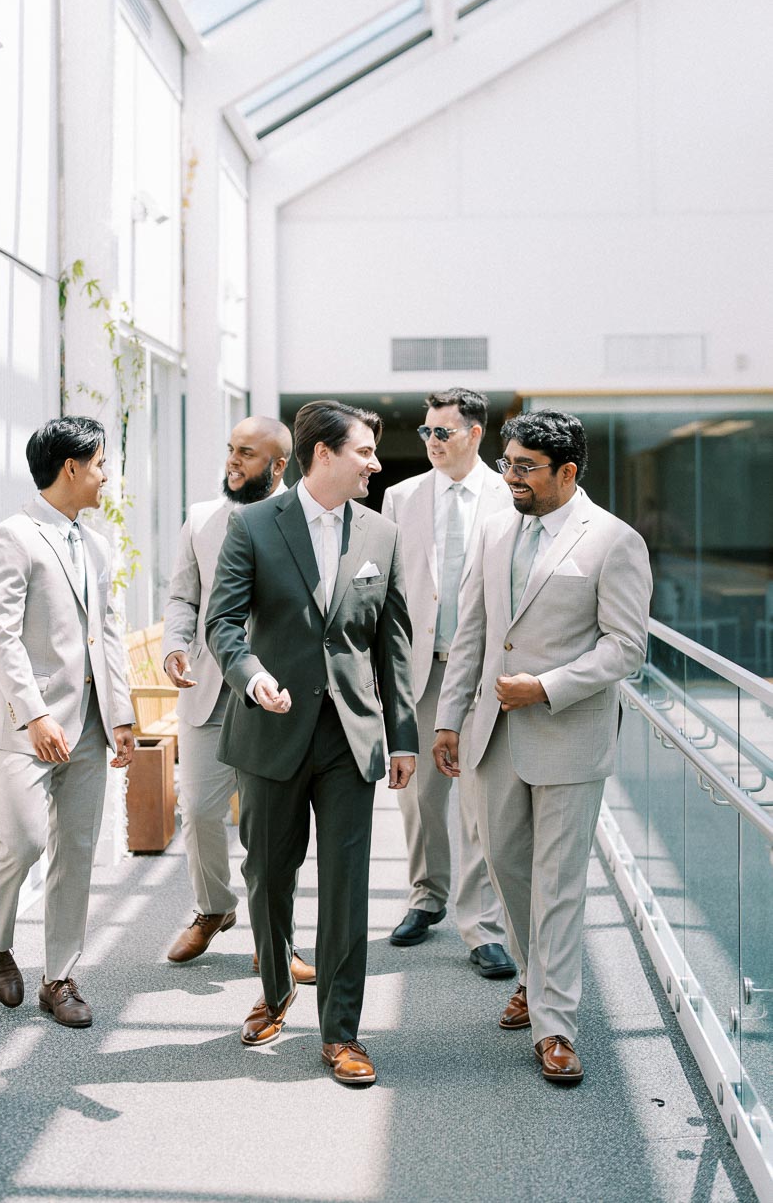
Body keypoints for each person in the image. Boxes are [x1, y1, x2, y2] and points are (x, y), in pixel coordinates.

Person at [433, 410, 651, 1084]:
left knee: (558, 883)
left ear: (568, 473)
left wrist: (548, 686)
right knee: (504, 864)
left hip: (568, 735)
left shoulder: (614, 541)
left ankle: (555, 1024)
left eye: (525, 468)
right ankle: (536, 973)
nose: (510, 477)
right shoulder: (495, 529)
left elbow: (627, 648)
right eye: (508, 464)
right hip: (491, 734)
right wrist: (449, 717)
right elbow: (473, 630)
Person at [205, 399, 418, 1087]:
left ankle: (342, 1033)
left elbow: (396, 642)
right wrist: (252, 675)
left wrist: (404, 735)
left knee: (349, 885)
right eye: (363, 452)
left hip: (350, 737)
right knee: (268, 875)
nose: (375, 465)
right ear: (322, 454)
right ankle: (275, 989)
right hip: (269, 727)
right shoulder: (254, 525)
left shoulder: (381, 535)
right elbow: (223, 622)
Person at [0, 417, 135, 1028]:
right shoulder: (12, 536)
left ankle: (60, 977)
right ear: (71, 467)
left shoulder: (93, 543)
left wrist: (120, 716)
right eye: (99, 464)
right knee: (22, 840)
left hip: (92, 724)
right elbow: (1, 637)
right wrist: (36, 714)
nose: (104, 477)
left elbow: (108, 635)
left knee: (77, 848)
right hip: (26, 723)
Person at [162, 416, 314, 985]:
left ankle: (275, 941)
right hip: (206, 690)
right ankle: (214, 907)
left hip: (273, 695)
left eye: (246, 454)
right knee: (199, 811)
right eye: (230, 449)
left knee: (268, 828)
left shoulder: (303, 519)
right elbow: (183, 595)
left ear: (279, 465)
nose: (232, 462)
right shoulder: (202, 519)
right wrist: (176, 644)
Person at [384, 388, 514, 979]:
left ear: (475, 434)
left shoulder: (508, 497)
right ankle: (425, 896)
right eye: (427, 433)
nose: (433, 442)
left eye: (444, 432)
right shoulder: (399, 497)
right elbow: (386, 590)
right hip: (421, 667)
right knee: (420, 796)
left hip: (486, 673)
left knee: (480, 802)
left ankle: (481, 926)